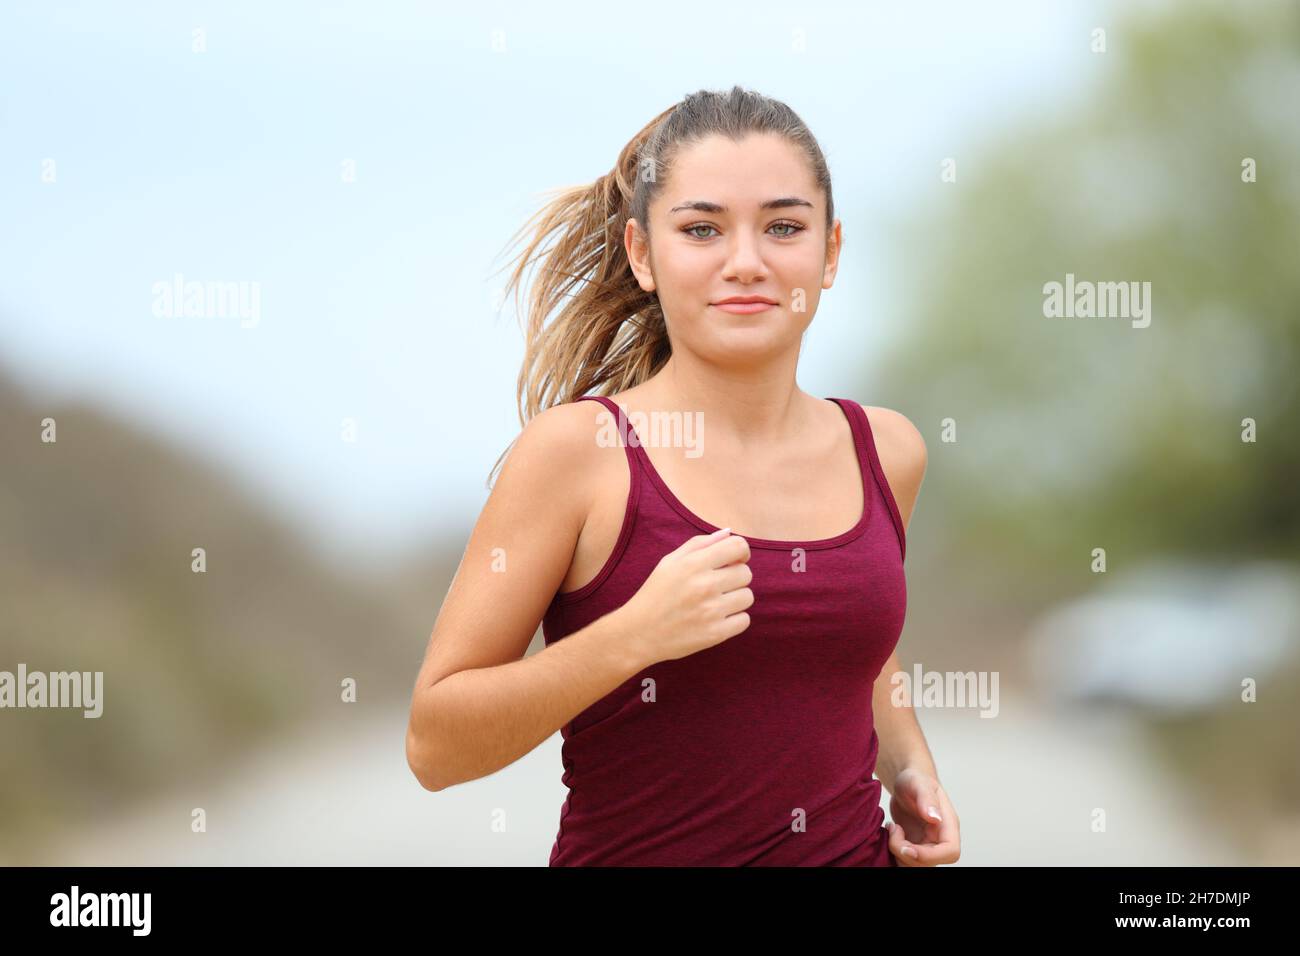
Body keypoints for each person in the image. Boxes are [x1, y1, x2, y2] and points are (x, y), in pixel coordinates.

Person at [406, 85, 960, 866]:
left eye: (784, 227)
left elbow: (851, 650)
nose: (746, 261)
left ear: (829, 253)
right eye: (702, 229)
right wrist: (634, 636)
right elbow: (436, 745)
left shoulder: (887, 449)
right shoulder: (578, 456)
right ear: (643, 254)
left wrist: (909, 768)